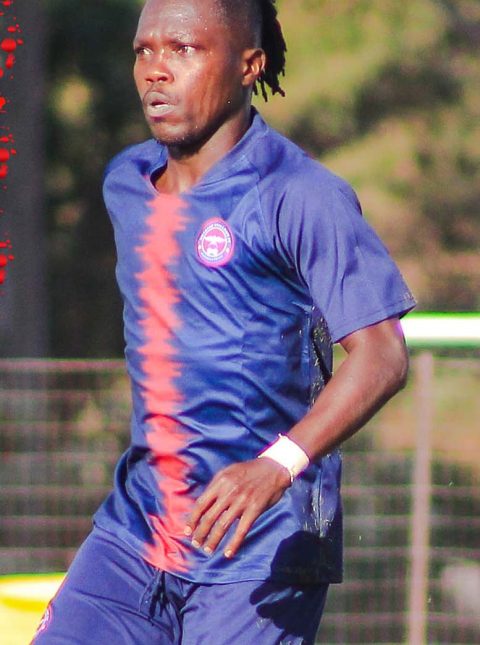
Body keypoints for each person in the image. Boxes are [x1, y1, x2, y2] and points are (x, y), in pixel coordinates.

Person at [33, 0, 416, 643]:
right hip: (137, 531)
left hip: (261, 543)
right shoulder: (126, 181)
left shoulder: (299, 194)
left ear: (249, 65)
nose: (156, 69)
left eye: (183, 49)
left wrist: (276, 465)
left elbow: (383, 355)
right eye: (144, 50)